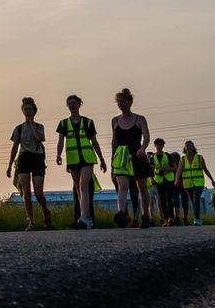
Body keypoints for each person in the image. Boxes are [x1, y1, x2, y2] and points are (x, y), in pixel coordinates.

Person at [56, 94, 106, 229]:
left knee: (83, 186)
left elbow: (94, 142)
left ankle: (83, 217)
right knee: (78, 189)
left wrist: (101, 159)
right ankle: (87, 218)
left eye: (74, 103)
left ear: (79, 105)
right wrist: (58, 155)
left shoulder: (88, 122)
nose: (72, 105)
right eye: (70, 103)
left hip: (87, 158)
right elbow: (61, 141)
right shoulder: (63, 123)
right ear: (67, 106)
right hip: (73, 160)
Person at [7, 97, 52, 230]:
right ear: (22, 111)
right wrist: (9, 165)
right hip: (24, 159)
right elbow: (15, 147)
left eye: (30, 109)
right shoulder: (18, 129)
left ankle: (46, 211)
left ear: (34, 111)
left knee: (38, 193)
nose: (27, 111)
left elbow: (40, 138)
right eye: (25, 109)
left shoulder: (39, 126)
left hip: (37, 158)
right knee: (26, 192)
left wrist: (32, 124)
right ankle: (31, 222)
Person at [110, 88, 152, 228]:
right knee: (122, 186)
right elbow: (114, 142)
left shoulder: (139, 119)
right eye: (118, 102)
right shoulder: (115, 121)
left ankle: (145, 216)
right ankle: (121, 214)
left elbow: (146, 137)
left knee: (142, 187)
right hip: (121, 157)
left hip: (137, 154)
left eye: (123, 101)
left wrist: (143, 148)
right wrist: (112, 162)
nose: (120, 104)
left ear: (130, 102)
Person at [174, 140, 214, 226]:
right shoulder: (183, 159)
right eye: (187, 146)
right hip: (187, 184)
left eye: (190, 145)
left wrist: (212, 179)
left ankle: (196, 219)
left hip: (199, 183)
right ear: (184, 148)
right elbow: (179, 170)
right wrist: (176, 179)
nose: (188, 147)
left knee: (196, 200)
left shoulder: (199, 158)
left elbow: (205, 169)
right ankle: (198, 217)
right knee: (193, 201)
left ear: (193, 147)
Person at [149, 138, 175, 226]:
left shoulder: (167, 155)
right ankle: (166, 219)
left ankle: (171, 218)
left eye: (161, 144)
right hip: (159, 181)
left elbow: (175, 167)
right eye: (157, 145)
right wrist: (151, 179)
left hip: (169, 179)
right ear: (155, 146)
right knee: (162, 201)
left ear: (163, 145)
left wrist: (168, 169)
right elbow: (151, 170)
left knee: (169, 199)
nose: (159, 146)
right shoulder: (153, 157)